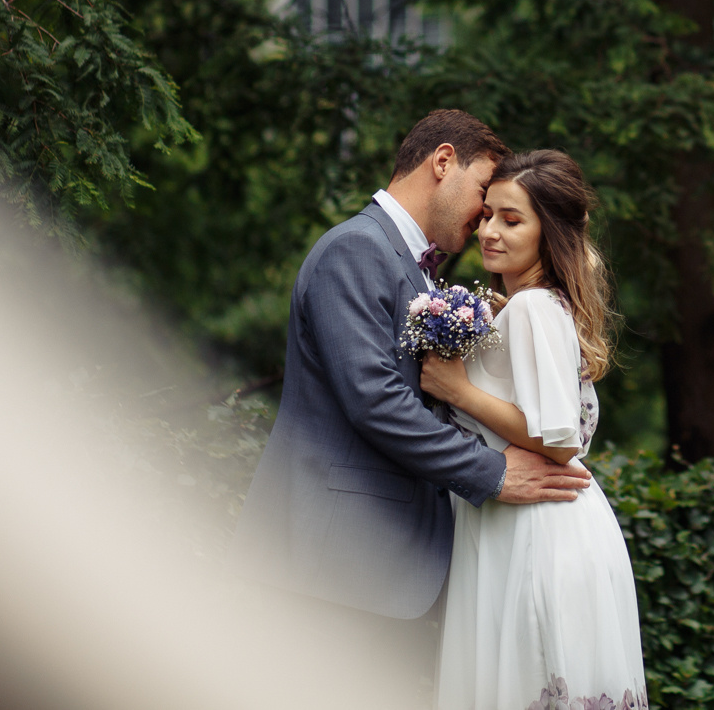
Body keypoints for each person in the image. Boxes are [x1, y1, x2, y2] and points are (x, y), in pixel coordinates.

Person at [231, 111, 591, 696]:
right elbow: (375, 400)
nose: (482, 218)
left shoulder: (413, 267)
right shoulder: (357, 249)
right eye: (482, 193)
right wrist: (495, 472)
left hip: (379, 569)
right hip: (337, 568)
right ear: (443, 162)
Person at [418, 150, 648, 710]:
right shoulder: (529, 306)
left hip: (534, 529)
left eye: (512, 220)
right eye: (488, 216)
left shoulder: (534, 310)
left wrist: (458, 391)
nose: (490, 232)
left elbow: (562, 437)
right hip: (533, 520)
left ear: (552, 234)